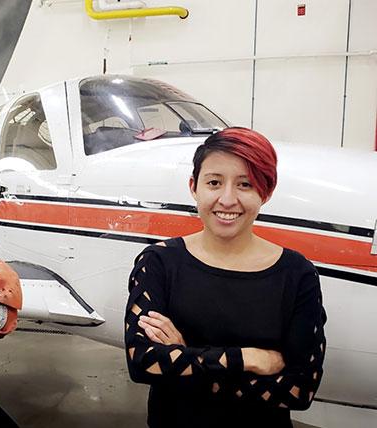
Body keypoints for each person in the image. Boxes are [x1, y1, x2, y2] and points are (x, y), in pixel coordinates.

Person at [124, 127, 327, 428]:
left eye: (245, 184)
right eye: (214, 183)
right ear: (194, 187)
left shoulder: (298, 274)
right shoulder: (158, 263)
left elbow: (300, 390)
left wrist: (185, 356)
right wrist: (248, 359)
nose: (228, 199)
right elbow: (143, 362)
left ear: (266, 192)